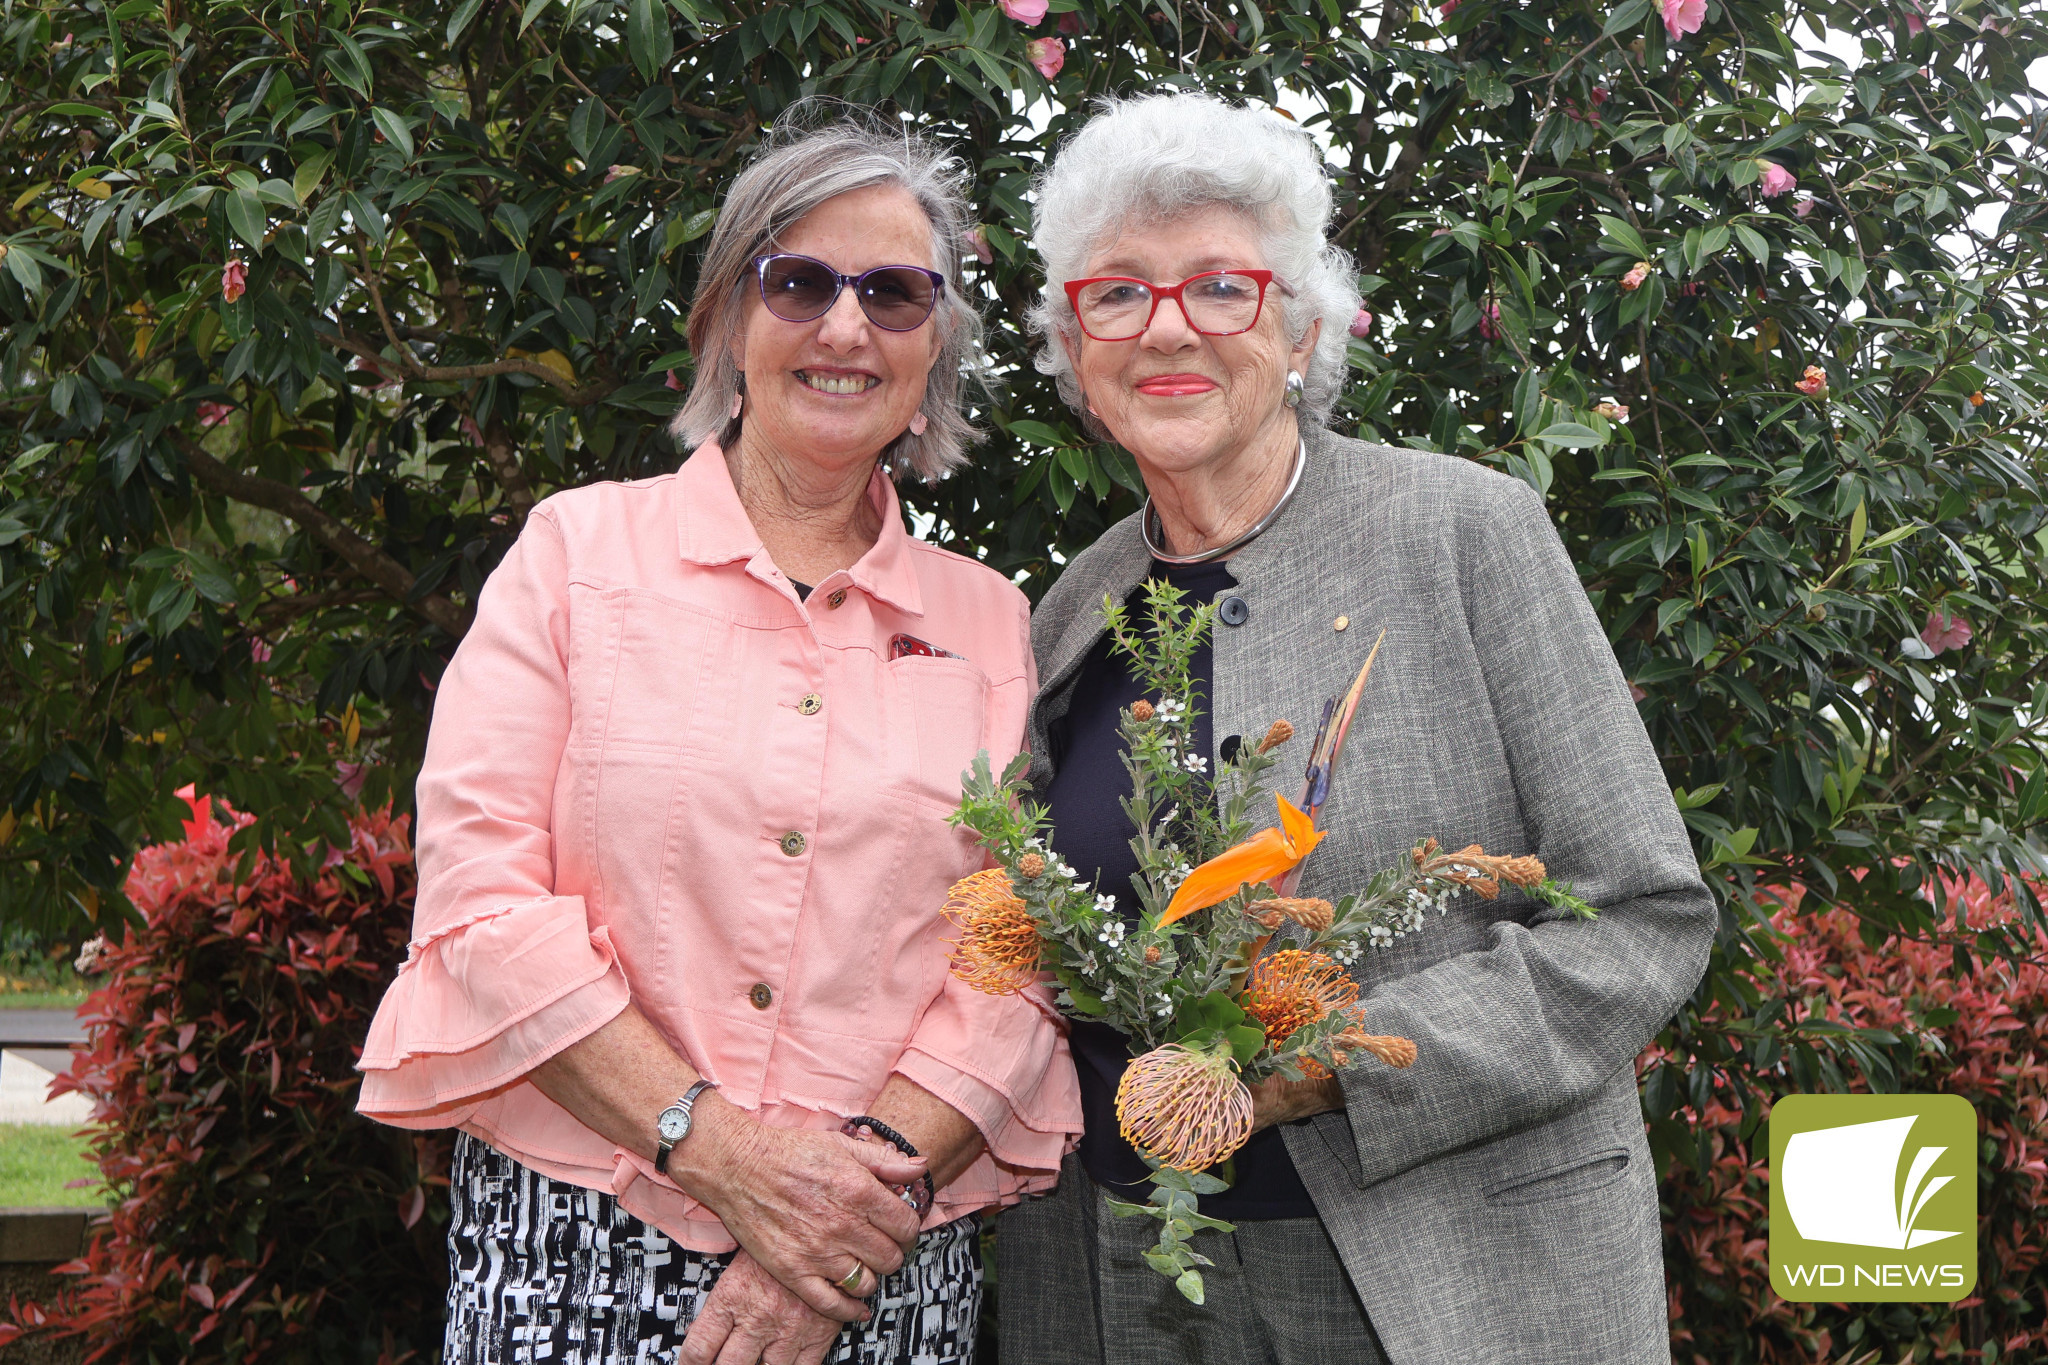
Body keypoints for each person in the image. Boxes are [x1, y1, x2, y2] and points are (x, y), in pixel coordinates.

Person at [995, 92, 1716, 1365]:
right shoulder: (1072, 609)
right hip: (1119, 1272)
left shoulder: (1465, 534)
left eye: (1221, 287)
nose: (1167, 329)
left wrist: (1324, 1064)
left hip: (1433, 1274)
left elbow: (1643, 917)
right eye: (1115, 293)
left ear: (1299, 328)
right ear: (1073, 344)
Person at [357, 115, 1080, 1365]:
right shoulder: (575, 556)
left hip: (874, 1256)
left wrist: (844, 1211)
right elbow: (480, 900)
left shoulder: (994, 622)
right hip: (576, 1231)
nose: (845, 329)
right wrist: (728, 1158)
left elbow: (1012, 962)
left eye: (893, 294)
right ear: (725, 322)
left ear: (933, 351)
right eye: (798, 283)